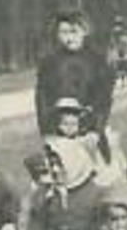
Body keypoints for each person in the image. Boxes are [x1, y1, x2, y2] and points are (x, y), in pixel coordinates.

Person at [34, 8, 116, 138]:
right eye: (64, 32)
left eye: (74, 31)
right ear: (57, 34)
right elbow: (42, 100)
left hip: (89, 132)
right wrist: (47, 131)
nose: (69, 38)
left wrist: (94, 128)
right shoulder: (49, 63)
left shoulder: (98, 62)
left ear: (85, 31)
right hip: (57, 131)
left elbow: (104, 100)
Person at [48, 96, 126, 186]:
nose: (70, 126)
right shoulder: (59, 143)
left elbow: (116, 159)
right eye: (65, 123)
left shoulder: (100, 136)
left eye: (75, 114)